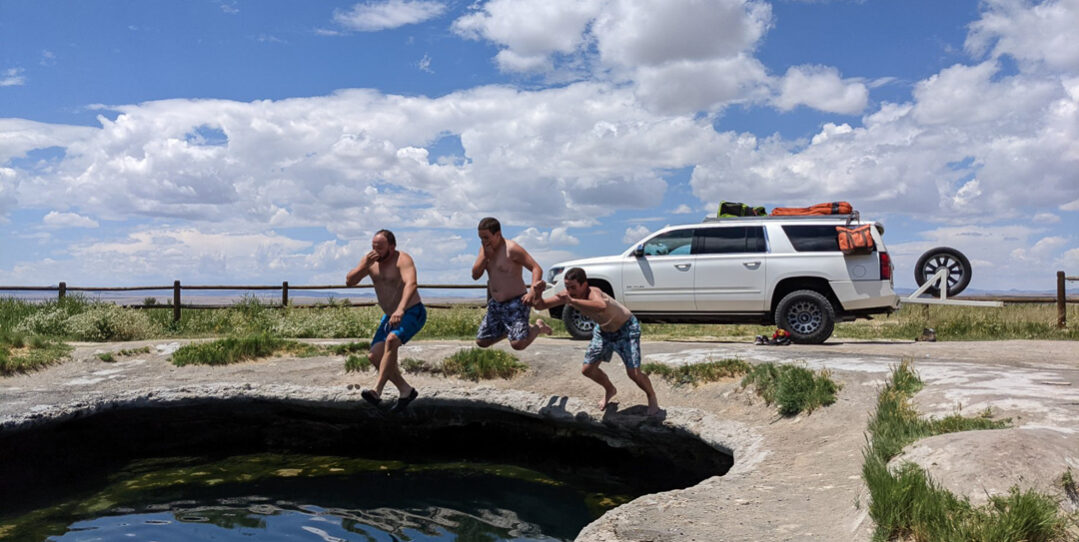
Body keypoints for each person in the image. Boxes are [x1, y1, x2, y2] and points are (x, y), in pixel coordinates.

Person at [533, 267, 660, 416]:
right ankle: (610, 389)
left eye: (573, 287)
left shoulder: (593, 292)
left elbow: (601, 306)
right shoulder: (567, 295)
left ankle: (652, 396)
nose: (570, 291)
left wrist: (572, 301)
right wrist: (537, 292)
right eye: (567, 287)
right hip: (604, 332)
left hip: (626, 329)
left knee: (633, 373)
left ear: (584, 284)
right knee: (588, 369)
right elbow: (540, 305)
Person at [345, 229, 424, 412]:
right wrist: (363, 266)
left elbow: (411, 284)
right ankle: (406, 390)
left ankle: (376, 390)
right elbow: (350, 281)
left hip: (411, 311)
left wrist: (400, 309)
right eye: (373, 247)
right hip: (389, 316)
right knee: (374, 356)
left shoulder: (402, 259)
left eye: (380, 247)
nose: (376, 251)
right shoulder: (369, 261)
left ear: (392, 246)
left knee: (392, 340)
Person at [472, 217, 551, 349]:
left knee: (518, 344)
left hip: (516, 302)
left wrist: (532, 291)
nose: (484, 241)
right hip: (496, 304)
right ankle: (511, 332)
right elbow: (475, 275)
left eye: (486, 237)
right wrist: (485, 256)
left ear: (497, 234)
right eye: (481, 238)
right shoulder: (484, 250)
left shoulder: (512, 249)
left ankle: (538, 327)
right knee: (482, 341)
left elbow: (536, 268)